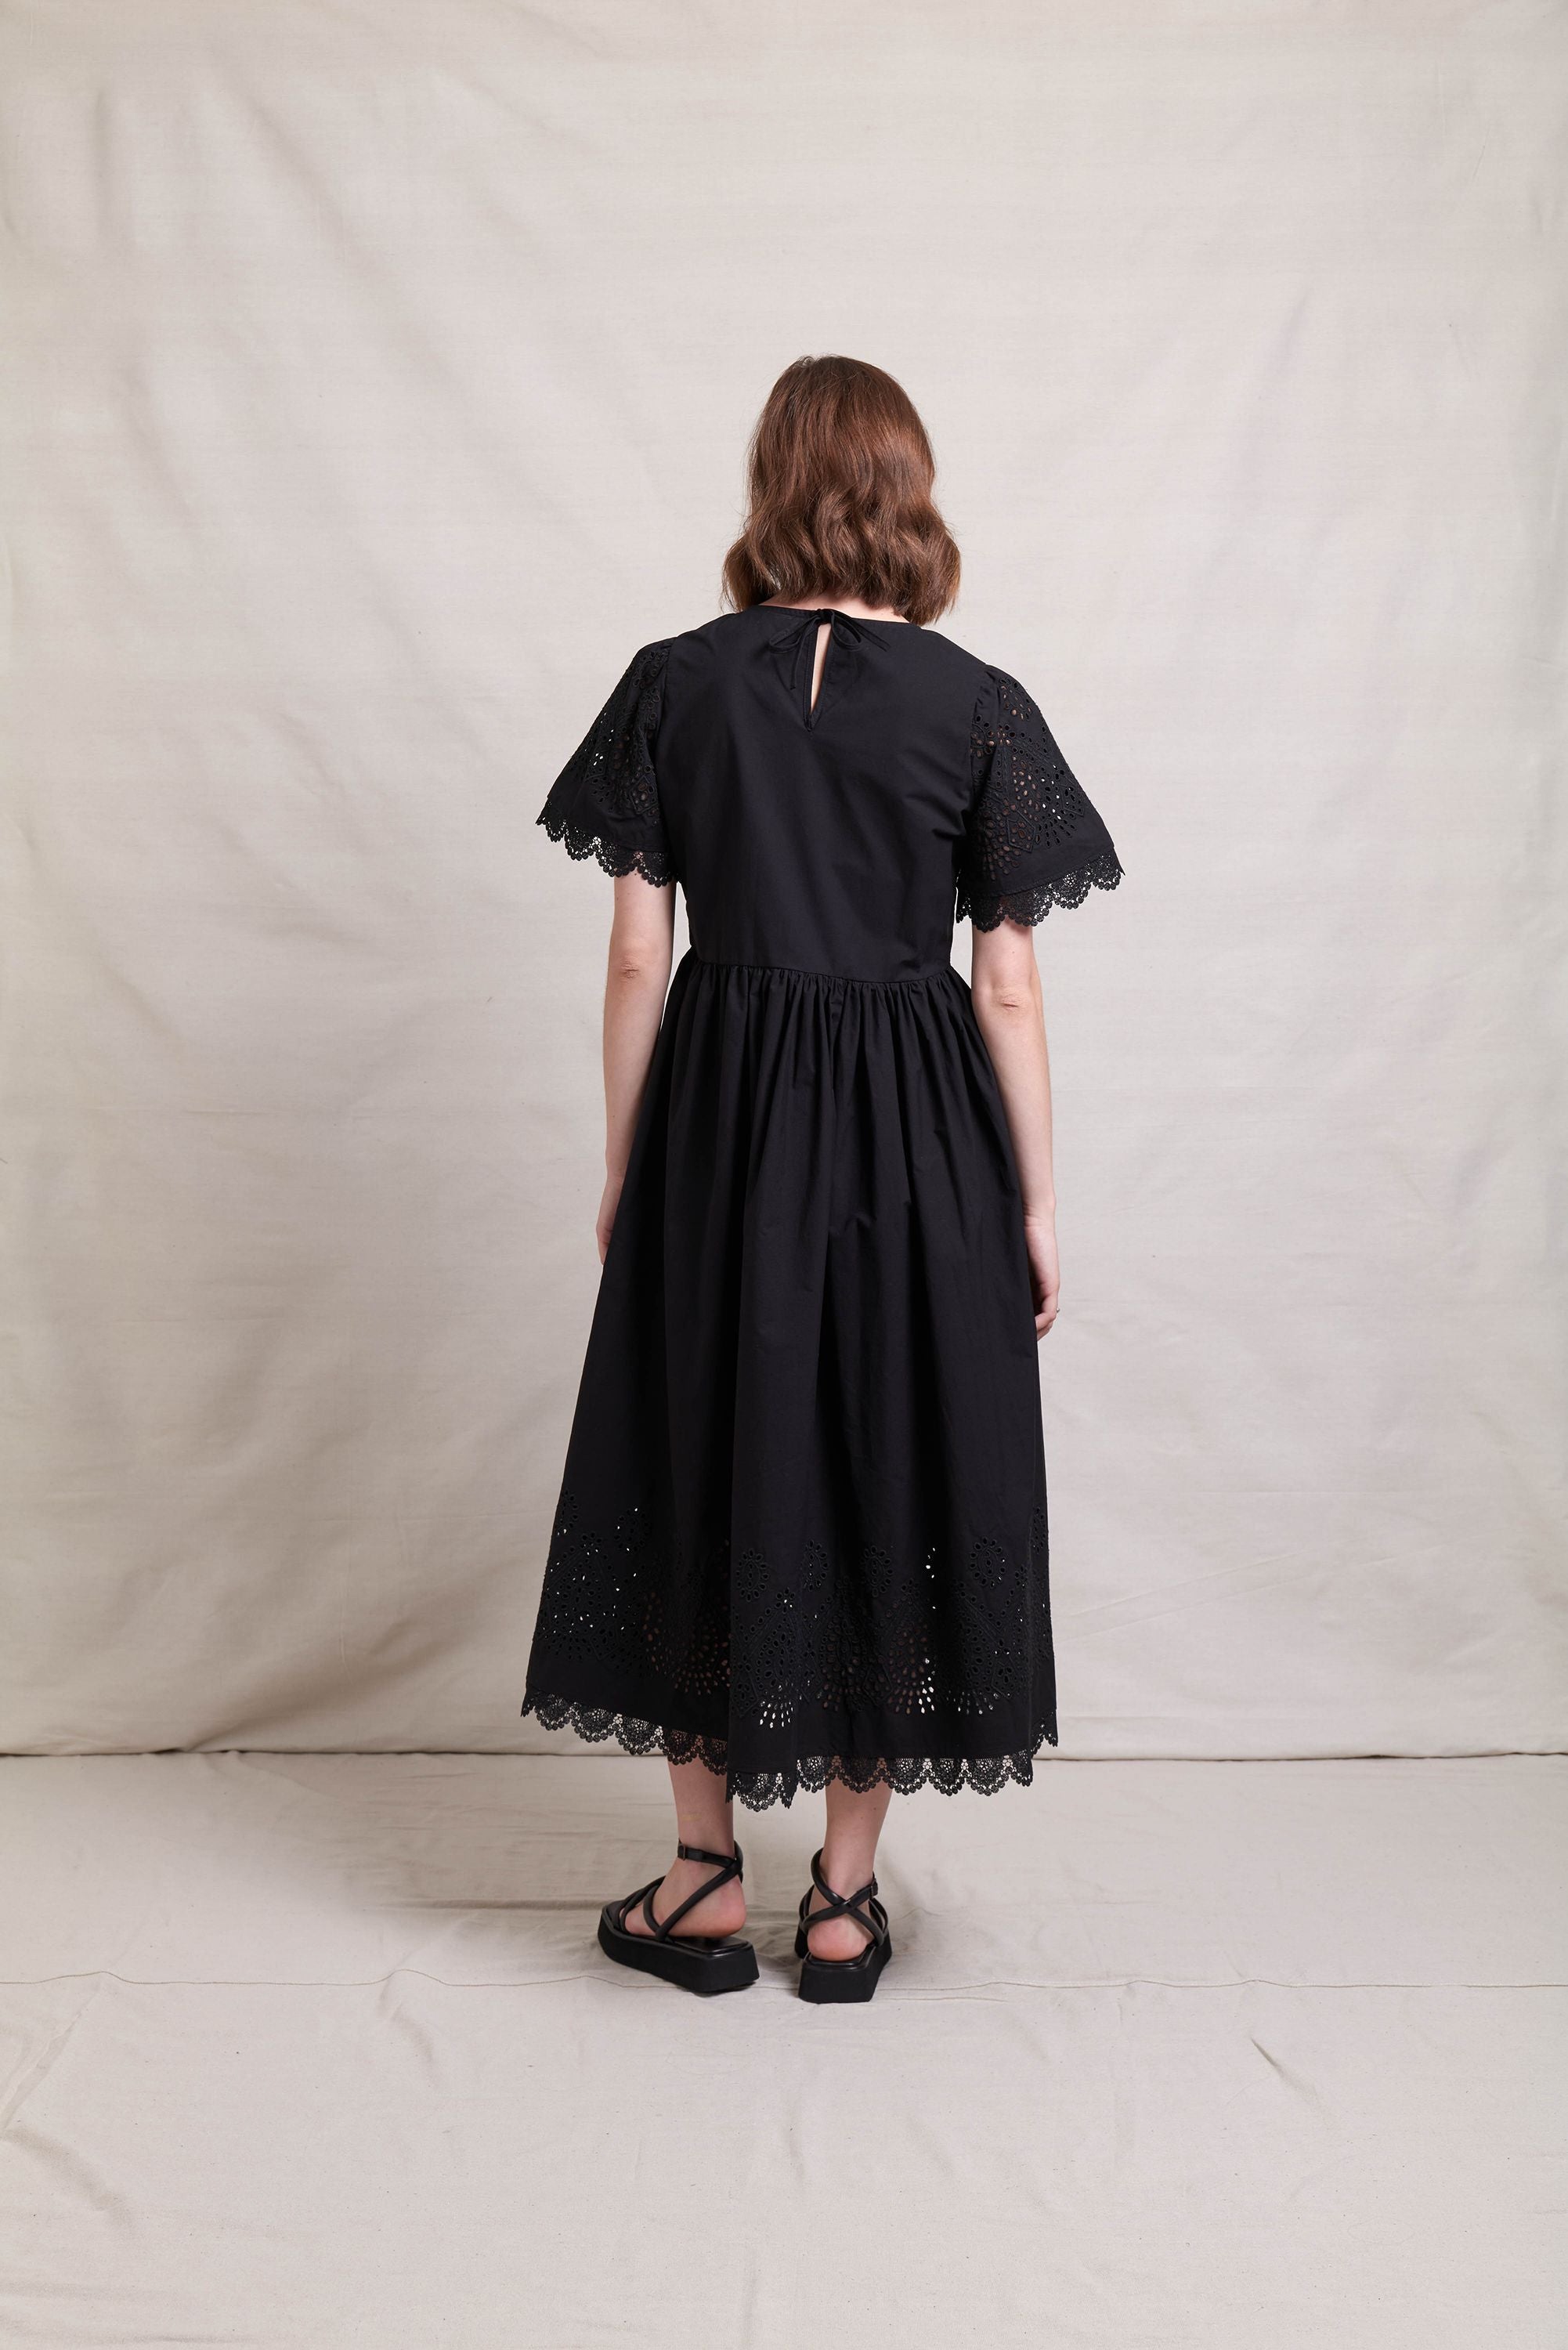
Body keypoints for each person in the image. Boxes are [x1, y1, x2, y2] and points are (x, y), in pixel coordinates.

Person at [522, 355, 1122, 2002]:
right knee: (894, 1455)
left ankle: (702, 1878)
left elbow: (636, 956)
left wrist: (629, 1159)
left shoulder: (672, 683)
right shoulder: (979, 703)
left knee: (697, 1445)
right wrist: (1033, 1203)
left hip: (722, 1118)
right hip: (918, 1127)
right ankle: (844, 1904)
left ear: (770, 487)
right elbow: (1008, 984)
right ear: (907, 492)